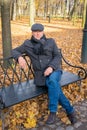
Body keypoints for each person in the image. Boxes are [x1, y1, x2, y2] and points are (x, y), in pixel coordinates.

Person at [12, 23, 77, 125]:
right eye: (35, 32)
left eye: (39, 32)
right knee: (54, 86)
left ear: (43, 32)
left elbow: (57, 56)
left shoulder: (50, 42)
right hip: (41, 76)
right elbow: (14, 51)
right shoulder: (27, 44)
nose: (37, 34)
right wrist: (19, 57)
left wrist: (51, 67)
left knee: (52, 80)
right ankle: (70, 111)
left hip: (54, 70)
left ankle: (52, 112)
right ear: (32, 32)